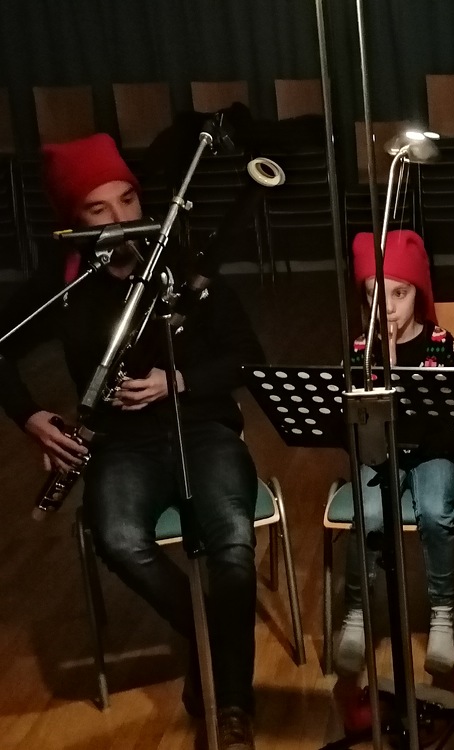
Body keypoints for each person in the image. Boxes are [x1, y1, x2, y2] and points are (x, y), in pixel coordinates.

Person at [0, 134, 265, 750]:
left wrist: (177, 380)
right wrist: (30, 416)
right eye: (99, 209)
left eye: (127, 200)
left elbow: (247, 357)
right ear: (74, 221)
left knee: (233, 544)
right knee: (117, 538)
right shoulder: (64, 283)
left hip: (202, 427)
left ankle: (232, 706)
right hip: (120, 444)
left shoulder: (183, 265)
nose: (121, 218)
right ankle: (213, 636)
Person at [335, 229, 454, 676]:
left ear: (418, 295)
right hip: (380, 452)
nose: (388, 307)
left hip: (433, 451)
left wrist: (403, 371)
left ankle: (442, 614)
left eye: (400, 293)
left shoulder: (440, 343)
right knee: (370, 513)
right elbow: (350, 425)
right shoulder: (360, 349)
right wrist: (379, 370)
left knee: (435, 512)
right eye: (376, 294)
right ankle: (356, 614)